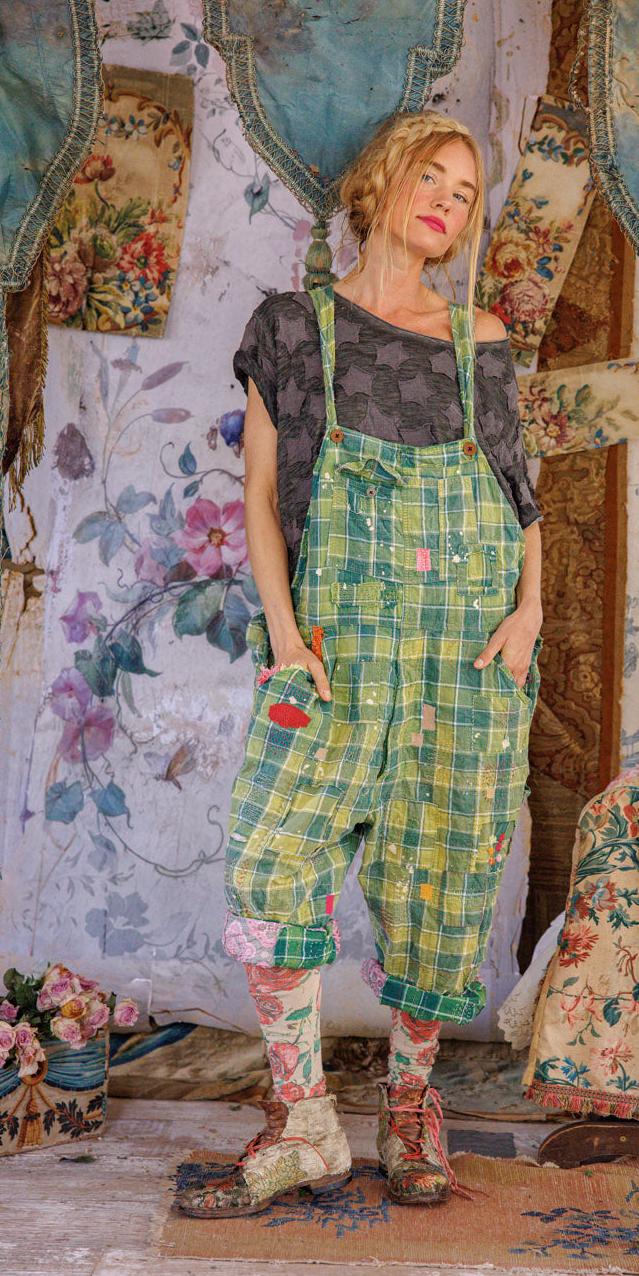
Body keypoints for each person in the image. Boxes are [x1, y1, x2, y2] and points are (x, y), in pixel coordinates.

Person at [177, 111, 543, 1219]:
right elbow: (258, 497)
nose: (445, 201)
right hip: (334, 652)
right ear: (381, 181)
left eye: (464, 193)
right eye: (430, 175)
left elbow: (521, 498)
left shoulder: (478, 337)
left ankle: (412, 1105)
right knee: (270, 857)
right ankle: (304, 1120)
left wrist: (529, 614)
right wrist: (286, 637)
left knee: (440, 875)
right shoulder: (293, 328)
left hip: (464, 655)